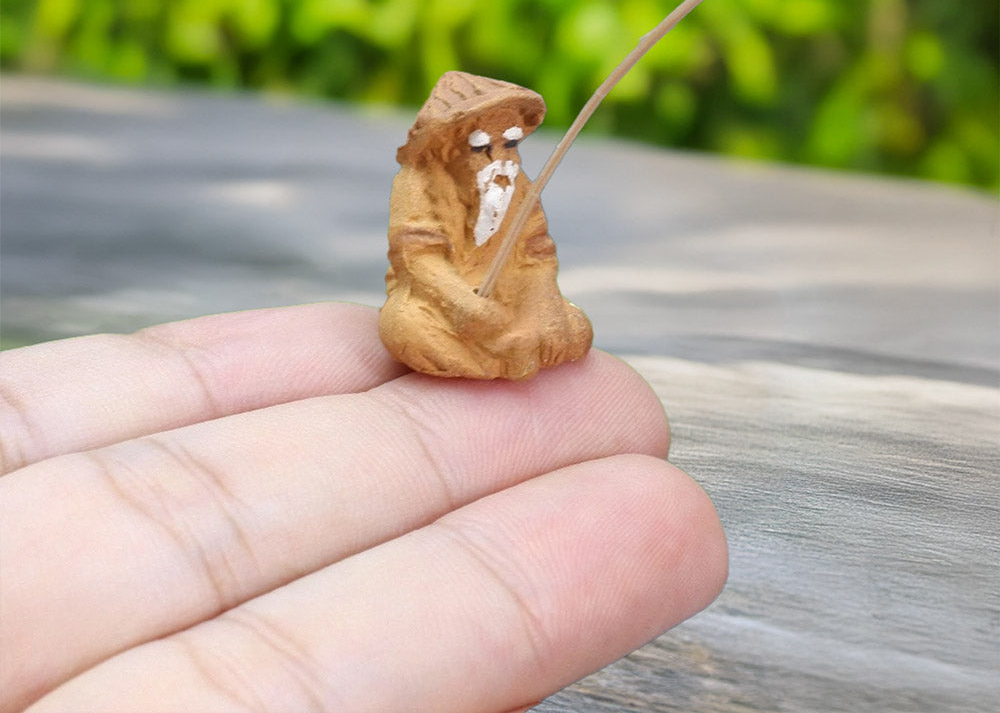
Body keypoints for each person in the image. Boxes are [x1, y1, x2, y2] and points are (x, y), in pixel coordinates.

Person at [0, 302, 727, 713]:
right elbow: (425, 268)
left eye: (511, 141)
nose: (502, 155)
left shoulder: (509, 200)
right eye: (487, 140)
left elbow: (529, 265)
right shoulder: (432, 198)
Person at [380, 71, 592, 380]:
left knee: (573, 327)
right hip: (443, 298)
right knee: (403, 326)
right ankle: (503, 355)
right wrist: (465, 305)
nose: (500, 159)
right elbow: (420, 258)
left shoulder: (514, 183)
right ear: (448, 149)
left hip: (508, 296)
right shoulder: (417, 184)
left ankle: (509, 348)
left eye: (509, 144)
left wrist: (544, 308)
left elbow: (536, 255)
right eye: (480, 148)